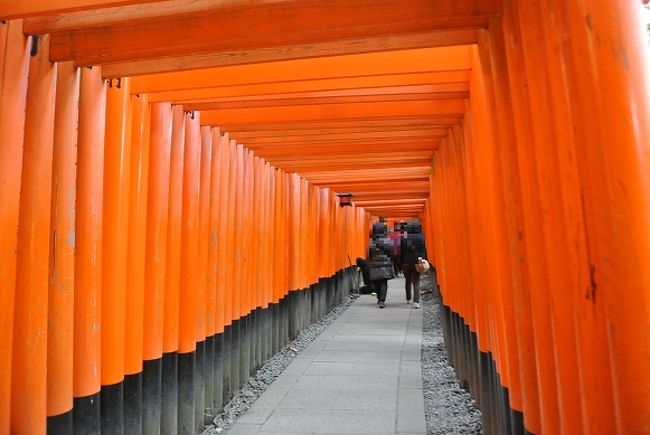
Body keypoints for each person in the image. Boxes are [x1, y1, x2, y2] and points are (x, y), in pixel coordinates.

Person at [400, 221, 428, 309]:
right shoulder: (421, 237)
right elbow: (424, 249)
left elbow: (401, 251)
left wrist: (400, 262)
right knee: (416, 281)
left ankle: (408, 298)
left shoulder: (404, 237)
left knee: (407, 280)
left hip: (406, 261)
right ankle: (416, 302)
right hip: (418, 261)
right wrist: (424, 259)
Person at [367, 222, 395, 308]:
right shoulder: (388, 242)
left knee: (376, 282)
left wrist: (370, 263)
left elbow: (369, 254)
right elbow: (392, 253)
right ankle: (382, 300)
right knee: (383, 282)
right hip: (385, 264)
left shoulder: (372, 242)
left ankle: (379, 298)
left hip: (375, 264)